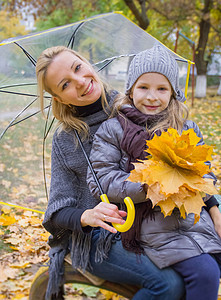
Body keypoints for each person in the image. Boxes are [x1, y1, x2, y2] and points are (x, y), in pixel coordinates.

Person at [36, 45, 188, 300]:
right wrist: (87, 214)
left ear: (87, 63)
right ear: (60, 99)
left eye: (78, 68)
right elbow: (58, 210)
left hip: (153, 223)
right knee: (169, 285)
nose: (81, 82)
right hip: (99, 240)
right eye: (65, 85)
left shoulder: (135, 104)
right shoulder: (66, 140)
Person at [87, 44, 221, 300]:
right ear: (130, 89)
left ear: (173, 92)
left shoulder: (185, 128)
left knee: (210, 269)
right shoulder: (114, 129)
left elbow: (205, 174)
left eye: (162, 88)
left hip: (192, 219)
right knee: (204, 274)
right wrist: (151, 183)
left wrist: (207, 201)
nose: (152, 97)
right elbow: (101, 180)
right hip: (151, 226)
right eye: (143, 87)